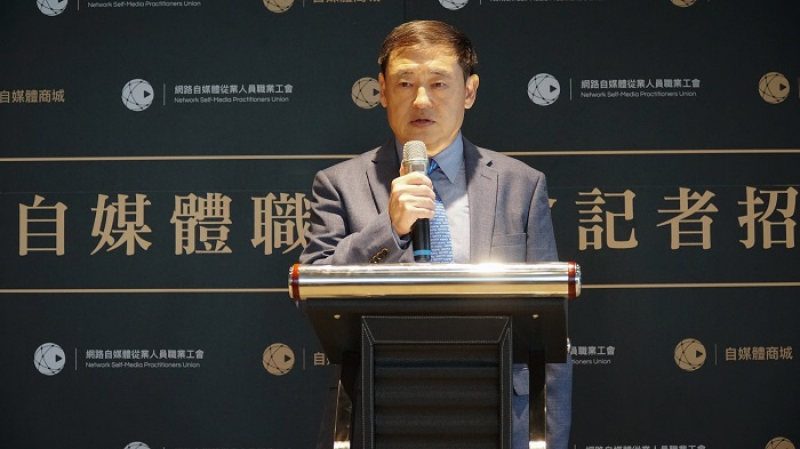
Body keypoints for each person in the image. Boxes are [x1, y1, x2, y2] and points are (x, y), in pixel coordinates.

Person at [299, 20, 571, 449]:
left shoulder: (521, 185)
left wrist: (547, 439)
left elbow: (549, 324)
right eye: (405, 83)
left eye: (439, 83)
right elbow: (313, 291)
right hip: (381, 410)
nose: (421, 99)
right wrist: (388, 229)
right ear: (382, 91)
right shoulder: (339, 184)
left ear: (469, 91)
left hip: (499, 412)